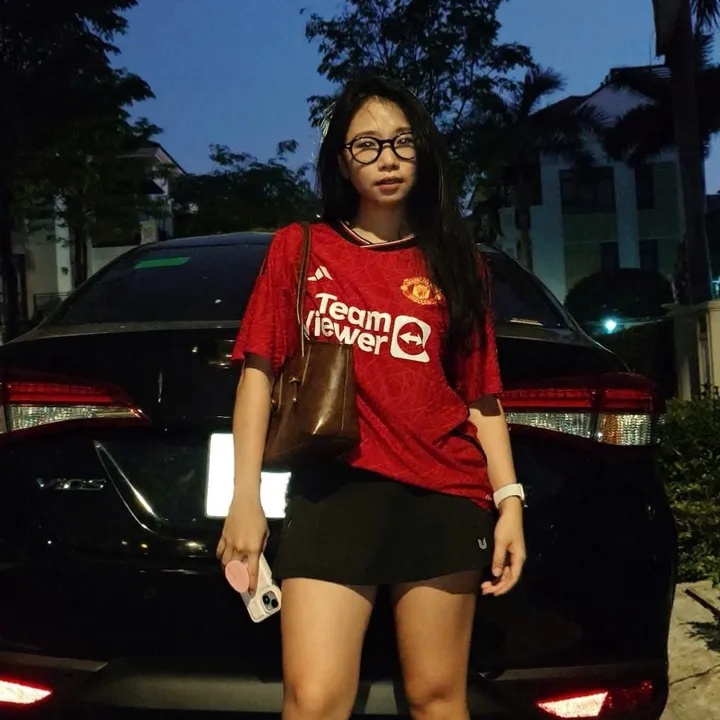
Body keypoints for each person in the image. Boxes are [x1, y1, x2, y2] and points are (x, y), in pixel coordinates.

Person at [216, 74, 526, 720]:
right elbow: (257, 375)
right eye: (367, 145)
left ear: (422, 152)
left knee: (436, 698)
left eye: (401, 142)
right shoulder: (300, 248)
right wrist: (246, 499)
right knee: (313, 700)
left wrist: (509, 502)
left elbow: (480, 398)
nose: (387, 159)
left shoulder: (457, 263)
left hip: (443, 496)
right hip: (333, 493)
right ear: (341, 161)